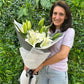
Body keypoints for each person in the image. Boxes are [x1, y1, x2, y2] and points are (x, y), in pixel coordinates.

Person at [24, 1, 75, 84]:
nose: (57, 17)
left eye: (61, 14)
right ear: (51, 15)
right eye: (55, 13)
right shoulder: (47, 30)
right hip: (43, 71)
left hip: (57, 73)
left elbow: (63, 54)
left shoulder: (69, 31)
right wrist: (29, 62)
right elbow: (39, 49)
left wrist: (42, 64)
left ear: (66, 17)